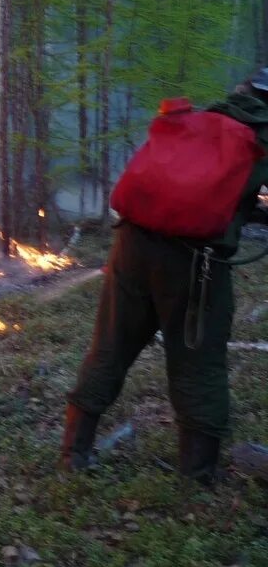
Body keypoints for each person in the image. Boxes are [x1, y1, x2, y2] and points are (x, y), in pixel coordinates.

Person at [61, 68, 268, 485]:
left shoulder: (202, 118)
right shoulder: (261, 138)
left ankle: (73, 453)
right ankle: (198, 477)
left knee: (110, 346)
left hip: (131, 246)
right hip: (194, 264)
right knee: (198, 360)